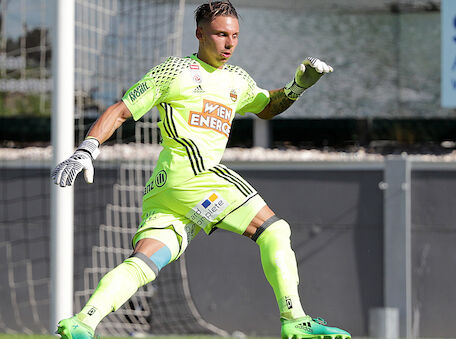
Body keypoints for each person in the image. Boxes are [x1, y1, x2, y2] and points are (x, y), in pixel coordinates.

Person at [51, 1, 351, 339]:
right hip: (194, 174)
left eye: (235, 36)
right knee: (275, 231)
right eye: (221, 34)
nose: (229, 43)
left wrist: (297, 87)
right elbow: (121, 110)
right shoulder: (175, 70)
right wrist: (86, 150)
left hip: (164, 192)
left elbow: (266, 106)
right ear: (199, 34)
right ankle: (295, 318)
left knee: (144, 263)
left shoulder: (237, 79)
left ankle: (83, 322)